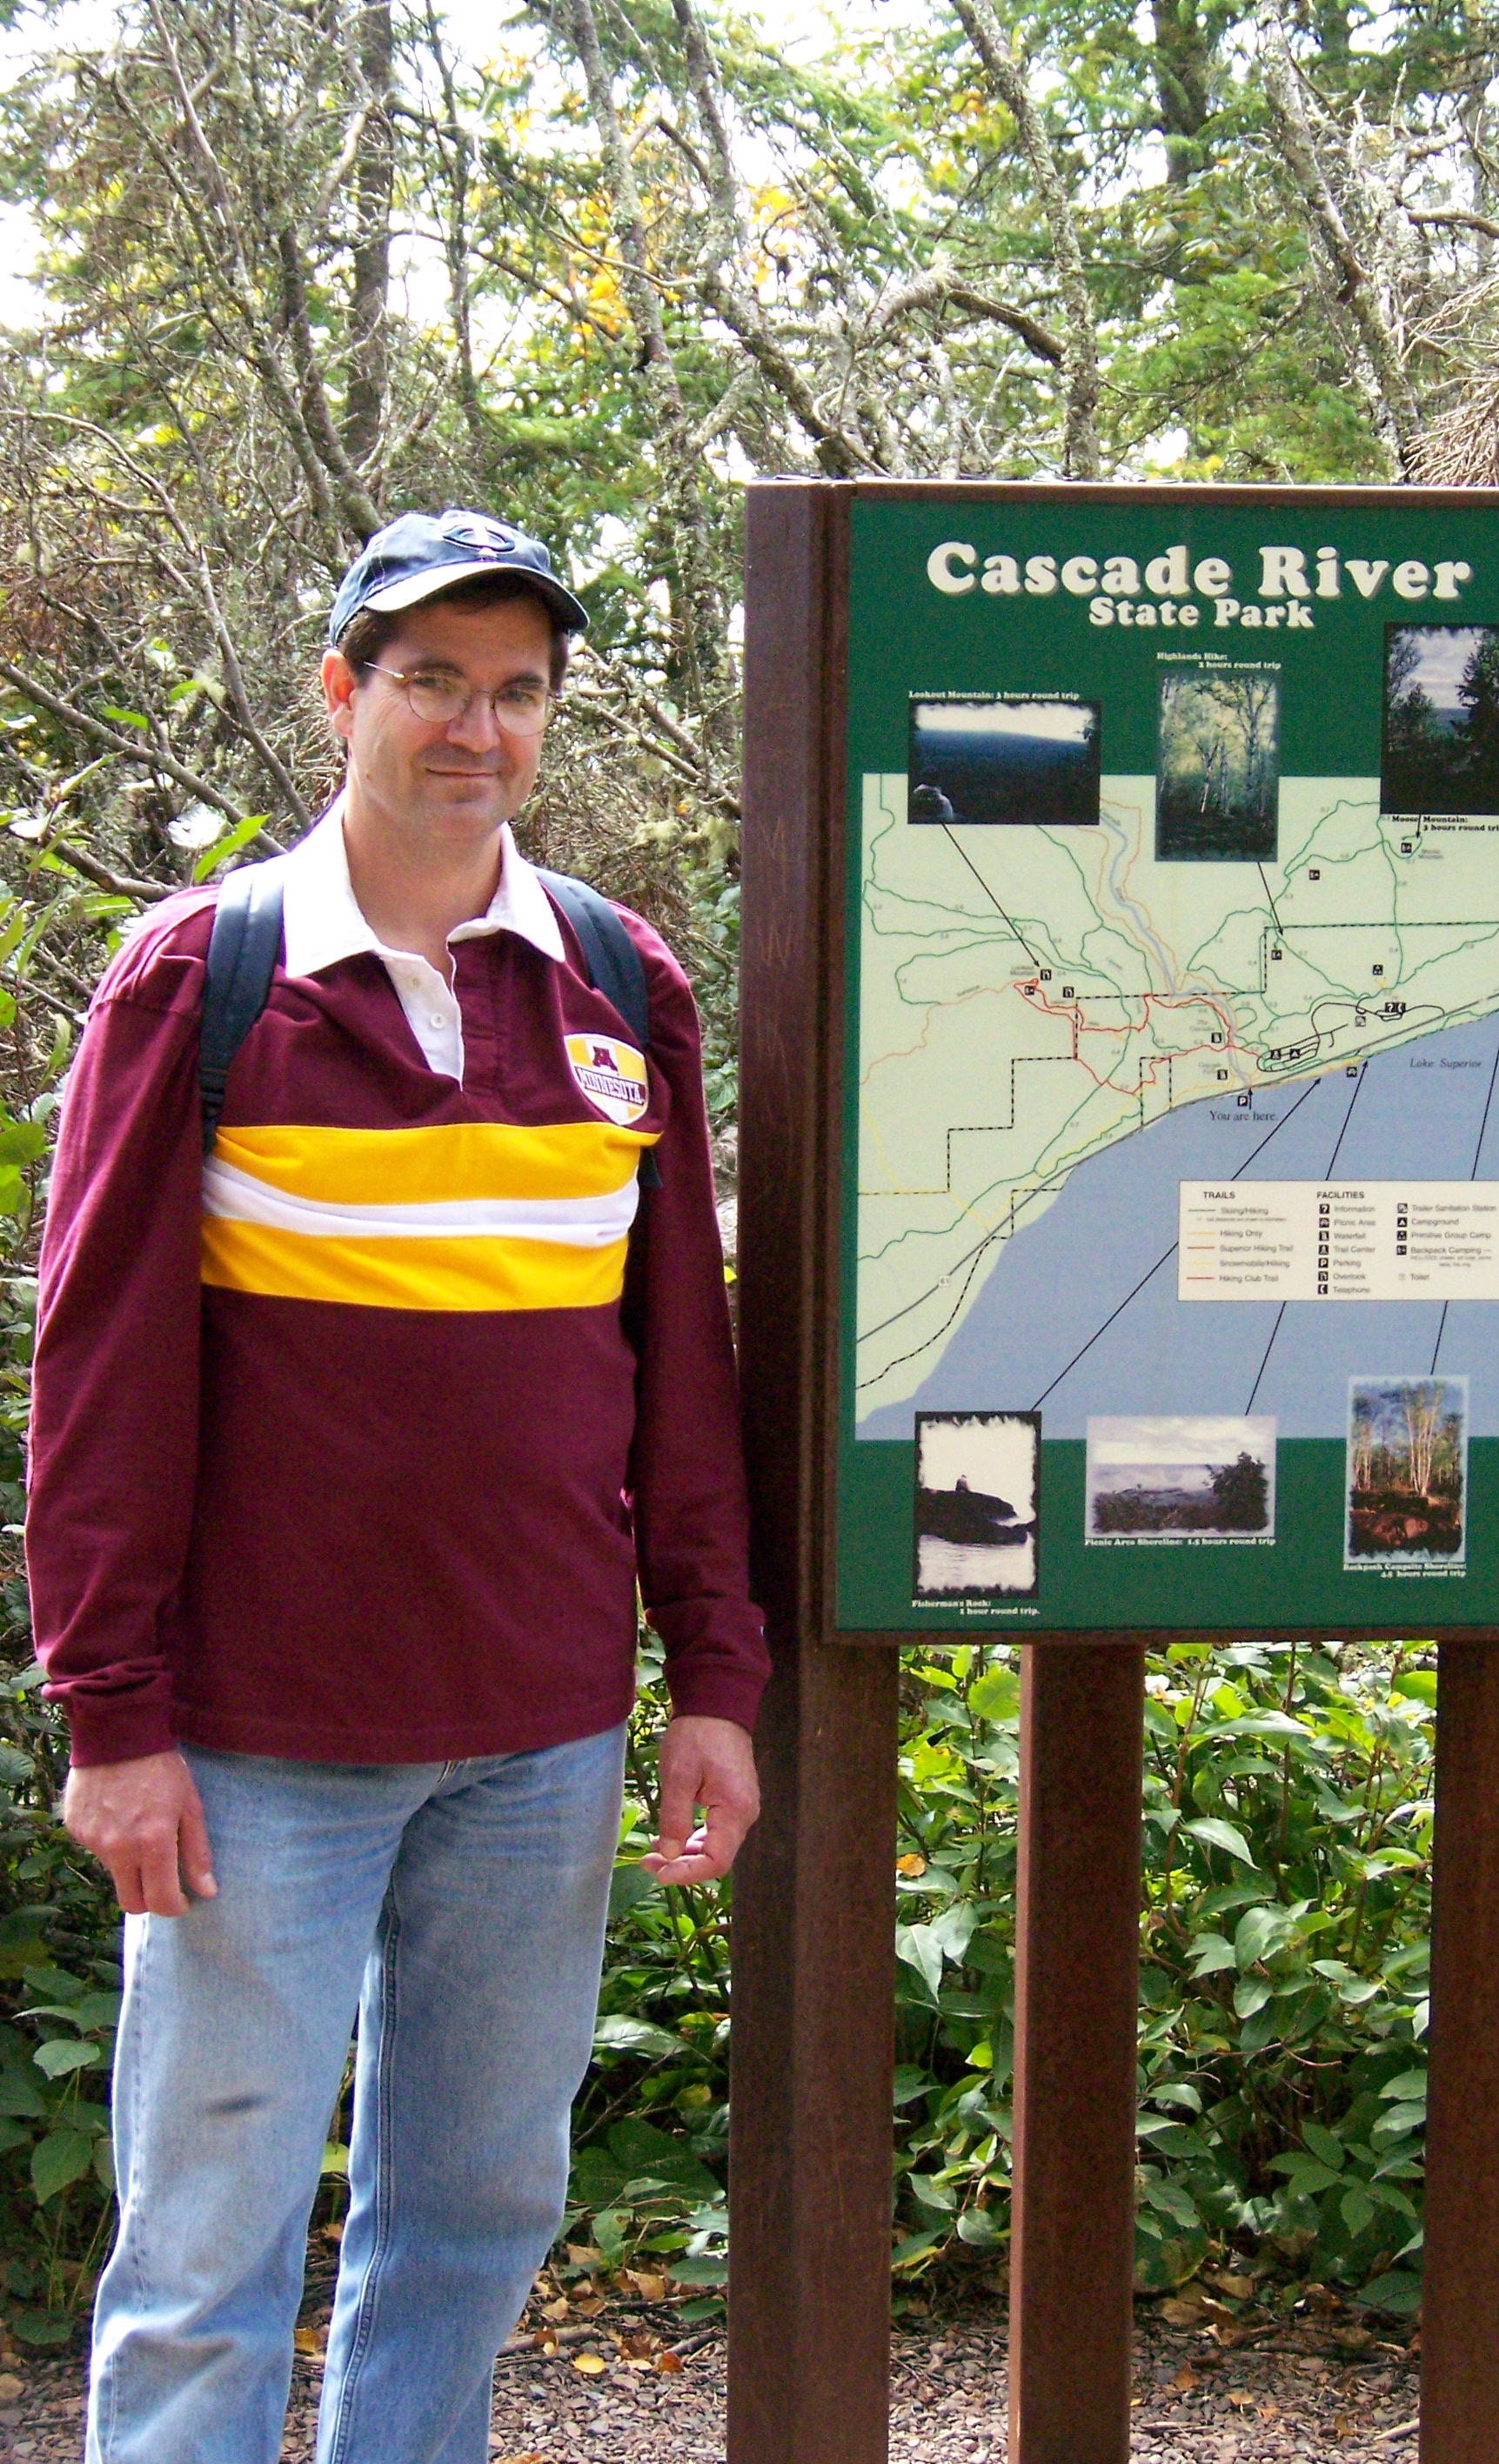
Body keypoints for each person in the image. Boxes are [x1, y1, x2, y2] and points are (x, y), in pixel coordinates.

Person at [24, 509, 768, 2464]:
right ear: (342, 691)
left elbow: (674, 1368)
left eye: (514, 690)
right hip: (252, 1748)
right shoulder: (203, 978)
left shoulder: (617, 983)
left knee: (473, 2223)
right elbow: (98, 1375)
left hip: (533, 1739)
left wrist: (713, 1672)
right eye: (430, 679)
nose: (475, 727)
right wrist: (114, 1715)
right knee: (204, 2256)